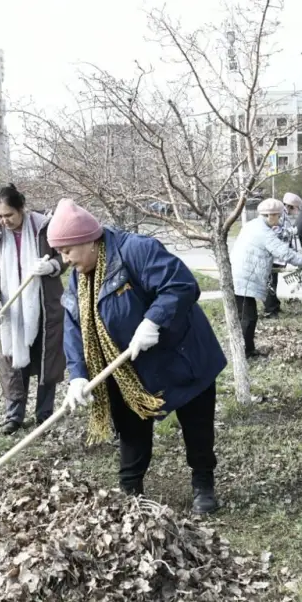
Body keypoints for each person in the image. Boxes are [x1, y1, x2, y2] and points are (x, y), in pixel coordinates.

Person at [51, 198, 228, 514]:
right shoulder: (81, 277)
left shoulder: (136, 250)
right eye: (61, 252)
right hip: (130, 371)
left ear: (89, 240)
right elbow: (74, 328)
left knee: (197, 427)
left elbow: (182, 285)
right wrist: (78, 374)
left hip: (181, 355)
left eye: (67, 251)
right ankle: (130, 492)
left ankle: (203, 484)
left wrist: (153, 320)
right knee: (130, 428)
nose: (64, 260)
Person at [0, 184, 67, 435]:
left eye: (9, 215)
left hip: (43, 306)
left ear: (21, 209)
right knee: (11, 364)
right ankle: (14, 416)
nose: (4, 221)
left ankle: (45, 415)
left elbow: (66, 255)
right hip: (10, 310)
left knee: (45, 360)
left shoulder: (43, 227)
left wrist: (52, 265)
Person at [232, 198, 302, 357]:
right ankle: (244, 353)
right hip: (244, 278)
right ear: (270, 216)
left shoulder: (252, 225)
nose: (280, 220)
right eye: (278, 216)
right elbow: (282, 252)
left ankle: (245, 350)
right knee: (248, 318)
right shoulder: (263, 232)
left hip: (240, 274)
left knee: (247, 317)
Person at [261, 193, 302, 318]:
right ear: (290, 206)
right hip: (271, 254)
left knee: (273, 280)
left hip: (277, 254)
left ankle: (274, 305)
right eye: (296, 208)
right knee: (270, 282)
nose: (297, 211)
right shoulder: (280, 214)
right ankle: (270, 310)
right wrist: (291, 231)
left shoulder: (284, 215)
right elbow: (276, 232)